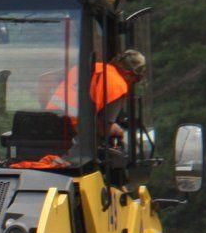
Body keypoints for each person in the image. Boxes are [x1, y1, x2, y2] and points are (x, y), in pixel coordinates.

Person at [14, 50, 146, 170]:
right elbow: (103, 128)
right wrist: (119, 131)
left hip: (44, 128)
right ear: (128, 73)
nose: (133, 84)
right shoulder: (118, 85)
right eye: (136, 79)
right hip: (72, 138)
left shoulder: (87, 69)